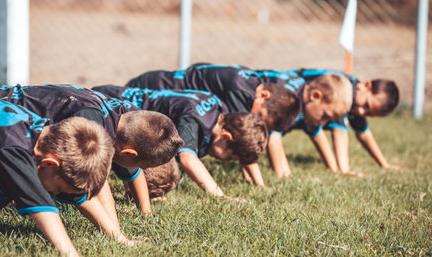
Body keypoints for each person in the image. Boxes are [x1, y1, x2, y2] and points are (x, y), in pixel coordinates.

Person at [0, 83, 184, 218]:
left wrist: (146, 212)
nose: (138, 171)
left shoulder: (126, 117)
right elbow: (97, 181)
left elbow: (132, 171)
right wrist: (114, 230)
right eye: (141, 165)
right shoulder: (91, 124)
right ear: (128, 153)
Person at [123, 63, 352, 178]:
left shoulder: (259, 93)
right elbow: (245, 139)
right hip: (149, 89)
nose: (323, 123)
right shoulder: (242, 93)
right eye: (325, 116)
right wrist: (261, 181)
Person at [0, 94, 118, 257]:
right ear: (49, 163)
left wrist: (115, 234)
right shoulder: (13, 146)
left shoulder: (41, 134)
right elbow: (40, 204)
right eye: (58, 190)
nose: (56, 194)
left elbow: (75, 195)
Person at [92, 85, 268, 201]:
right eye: (230, 156)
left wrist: (259, 184)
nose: (225, 162)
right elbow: (187, 159)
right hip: (107, 105)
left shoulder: (218, 110)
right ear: (226, 137)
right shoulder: (193, 119)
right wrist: (219, 196)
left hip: (115, 94)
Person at [249, 68, 400, 174]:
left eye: (369, 114)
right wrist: (343, 170)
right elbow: (339, 131)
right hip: (279, 92)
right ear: (366, 86)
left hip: (305, 103)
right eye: (366, 105)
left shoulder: (347, 103)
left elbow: (364, 134)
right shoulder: (341, 91)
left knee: (311, 125)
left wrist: (384, 164)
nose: (362, 112)